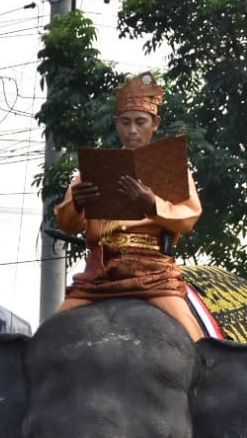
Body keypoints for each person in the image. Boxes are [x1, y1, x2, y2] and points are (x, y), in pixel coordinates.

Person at [53, 71, 204, 340]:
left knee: (194, 337)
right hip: (100, 272)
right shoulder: (92, 170)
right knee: (50, 335)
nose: (132, 130)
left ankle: (209, 377)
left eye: (140, 122)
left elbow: (189, 217)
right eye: (125, 122)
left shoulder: (172, 169)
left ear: (155, 123)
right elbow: (67, 224)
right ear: (116, 123)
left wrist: (152, 204)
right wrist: (77, 203)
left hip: (154, 272)